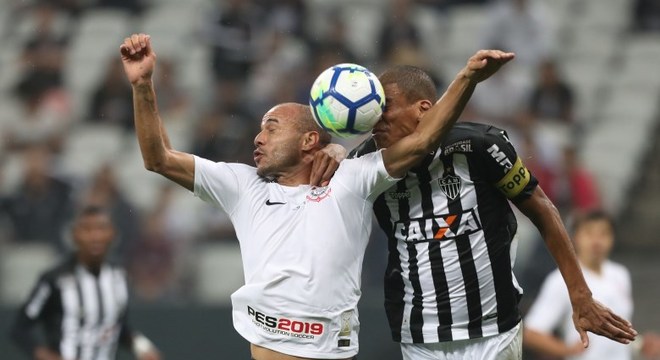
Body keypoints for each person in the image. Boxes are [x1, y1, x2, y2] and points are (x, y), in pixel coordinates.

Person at [119, 32, 513, 359]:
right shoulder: (241, 186)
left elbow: (423, 140)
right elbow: (158, 159)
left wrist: (466, 79)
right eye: (260, 128)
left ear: (309, 139)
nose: (258, 138)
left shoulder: (353, 181)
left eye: (272, 127)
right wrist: (142, 86)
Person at [343, 65, 637, 359]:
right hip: (420, 338)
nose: (374, 118)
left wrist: (580, 294)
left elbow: (542, 210)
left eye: (386, 107)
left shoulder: (480, 146)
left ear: (423, 108)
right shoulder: (365, 164)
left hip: (493, 332)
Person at [9, 205, 161, 360]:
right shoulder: (55, 279)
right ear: (75, 235)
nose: (95, 236)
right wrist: (44, 355)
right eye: (87, 229)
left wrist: (142, 346)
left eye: (101, 228)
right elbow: (20, 329)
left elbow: (114, 326)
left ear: (113, 234)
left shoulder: (119, 277)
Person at [524, 210, 660, 360]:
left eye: (603, 234)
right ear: (575, 238)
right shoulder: (562, 279)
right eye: (589, 233)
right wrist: (566, 350)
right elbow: (532, 333)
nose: (596, 241)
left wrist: (640, 345)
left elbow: (614, 336)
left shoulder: (620, 275)